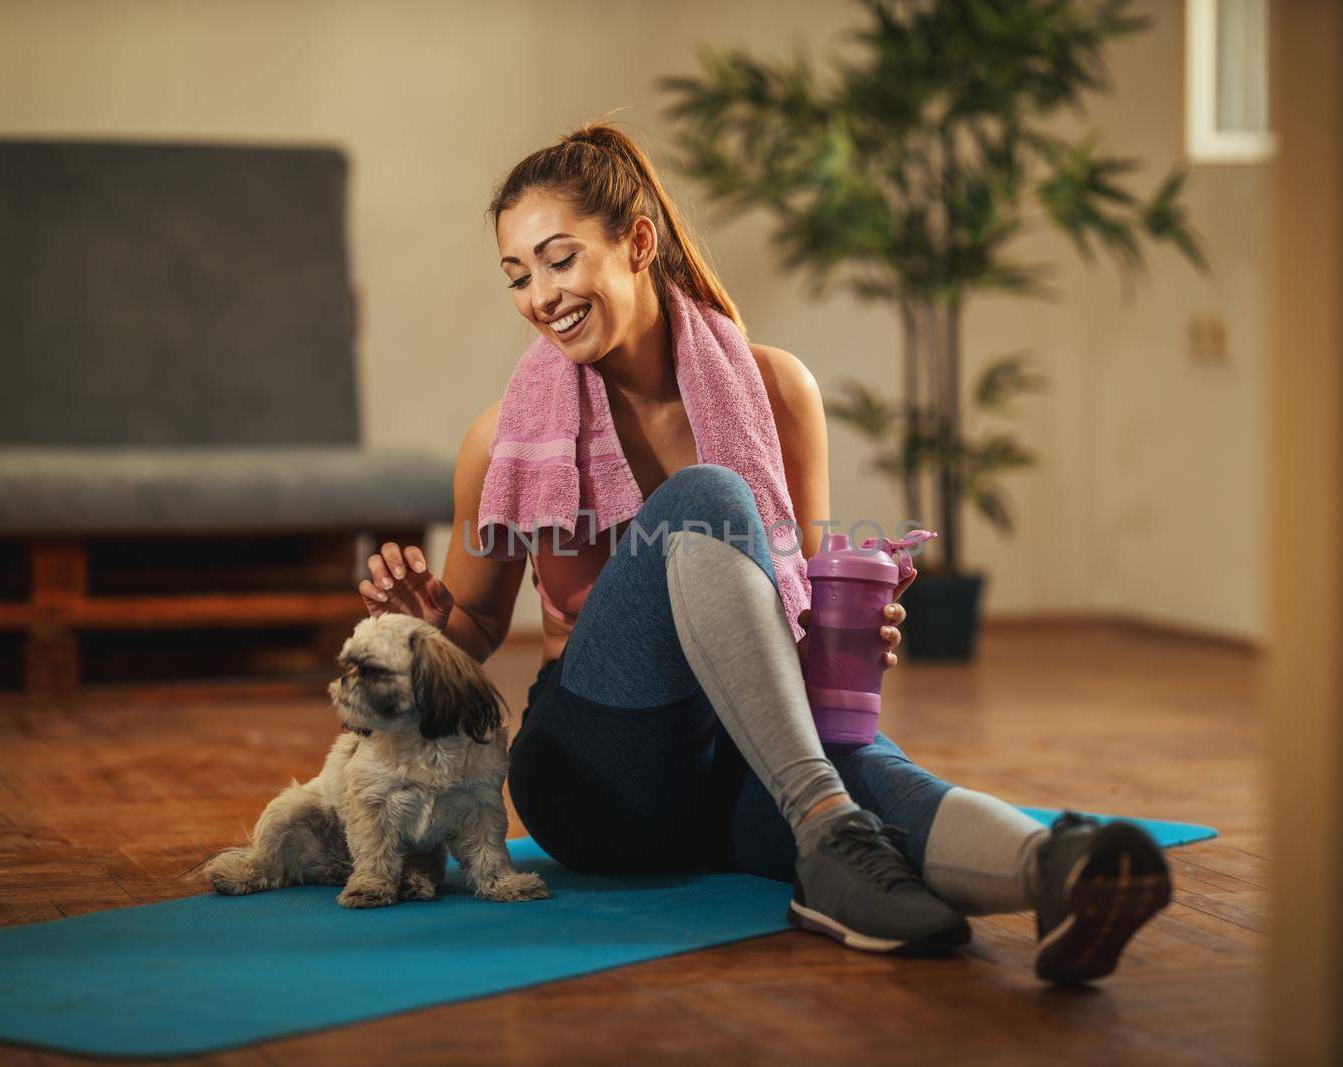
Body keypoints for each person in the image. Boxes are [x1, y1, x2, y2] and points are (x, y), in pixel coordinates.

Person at [357, 122, 1170, 983]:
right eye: (518, 275)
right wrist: (428, 625)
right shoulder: (503, 439)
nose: (539, 295)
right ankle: (826, 828)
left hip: (742, 763)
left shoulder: (776, 391)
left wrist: (856, 628)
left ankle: (1060, 873)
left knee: (868, 772)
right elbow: (476, 623)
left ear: (638, 243)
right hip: (596, 776)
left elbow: (799, 607)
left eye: (559, 260)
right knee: (710, 498)